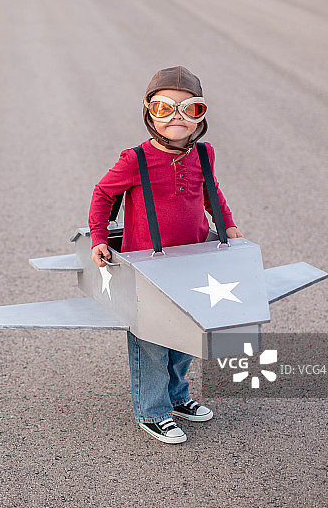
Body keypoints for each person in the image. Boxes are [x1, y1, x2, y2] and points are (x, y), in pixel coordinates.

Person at [88, 66, 243, 444]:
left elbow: (212, 193)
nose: (176, 116)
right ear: (149, 113)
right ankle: (151, 411)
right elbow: (103, 194)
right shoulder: (135, 159)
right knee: (152, 341)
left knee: (186, 334)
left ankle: (176, 397)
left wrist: (228, 225)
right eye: (164, 107)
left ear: (199, 117)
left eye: (188, 109)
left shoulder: (204, 154)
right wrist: (98, 236)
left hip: (194, 261)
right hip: (149, 267)